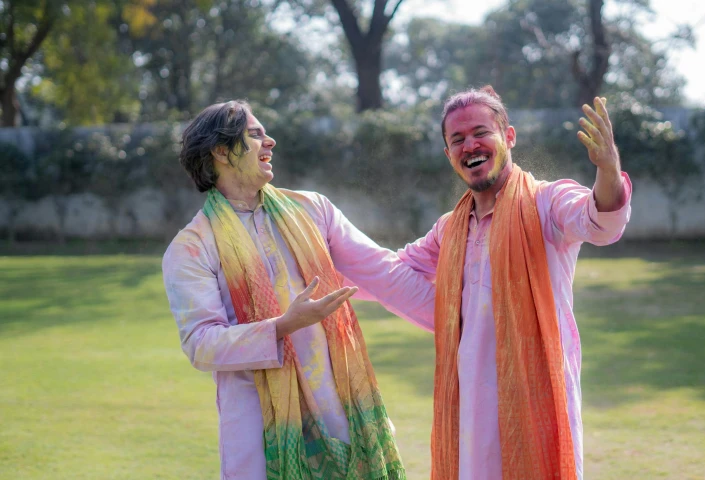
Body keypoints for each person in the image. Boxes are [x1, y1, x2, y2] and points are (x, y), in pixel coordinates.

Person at [162, 100, 434, 480]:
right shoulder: (192, 246)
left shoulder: (312, 210)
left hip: (342, 408)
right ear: (221, 151)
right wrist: (281, 326)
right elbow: (201, 343)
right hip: (261, 423)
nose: (269, 141)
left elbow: (383, 273)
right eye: (255, 134)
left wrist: (461, 318)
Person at [397, 86, 632, 480]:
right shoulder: (449, 230)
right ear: (449, 155)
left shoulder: (546, 204)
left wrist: (608, 170)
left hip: (533, 400)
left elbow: (601, 221)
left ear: (508, 136)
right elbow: (392, 272)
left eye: (480, 132)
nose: (469, 144)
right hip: (469, 408)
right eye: (457, 139)